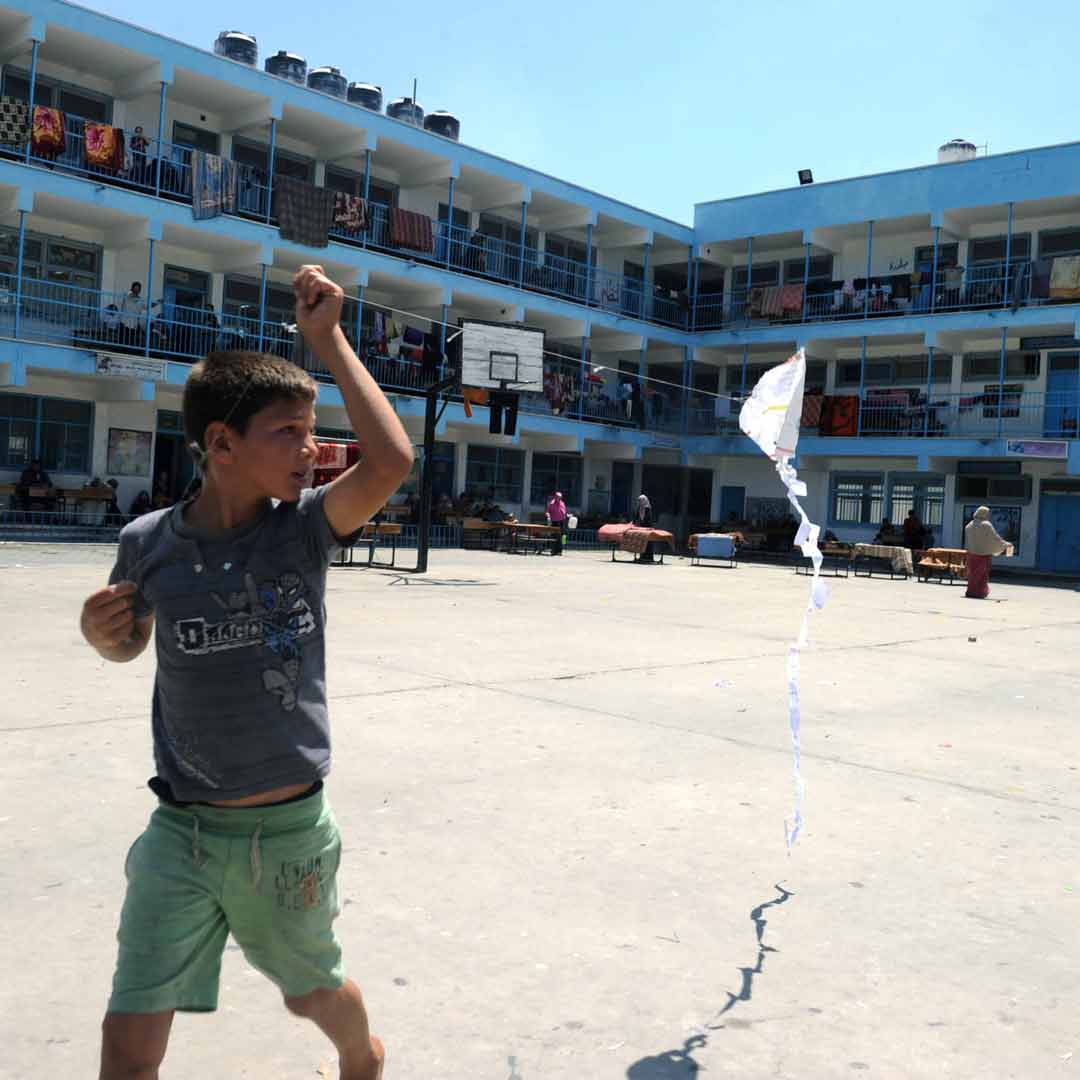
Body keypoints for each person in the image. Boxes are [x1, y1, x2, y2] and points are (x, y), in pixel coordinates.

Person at [79, 264, 412, 1079]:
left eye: (311, 428)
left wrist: (326, 338)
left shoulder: (302, 530)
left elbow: (391, 461)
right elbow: (133, 648)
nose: (311, 448)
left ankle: (361, 1057)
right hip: (182, 832)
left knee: (311, 994)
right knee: (128, 1038)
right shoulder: (147, 543)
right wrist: (103, 636)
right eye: (287, 433)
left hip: (289, 836)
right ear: (221, 445)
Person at [964, 505, 1011, 599]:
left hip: (971, 555)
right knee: (981, 575)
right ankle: (980, 593)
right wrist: (1006, 544)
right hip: (983, 555)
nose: (988, 516)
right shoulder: (986, 525)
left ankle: (971, 592)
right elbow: (995, 538)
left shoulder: (969, 525)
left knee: (972, 574)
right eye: (987, 513)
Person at [633, 494, 657, 563]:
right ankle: (642, 556)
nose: (639, 502)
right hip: (642, 527)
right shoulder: (639, 508)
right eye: (639, 501)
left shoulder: (648, 508)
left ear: (644, 500)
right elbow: (636, 517)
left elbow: (648, 519)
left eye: (640, 501)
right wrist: (633, 523)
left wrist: (645, 527)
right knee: (642, 542)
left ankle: (649, 557)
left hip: (648, 527)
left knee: (648, 542)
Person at [546, 489, 568, 555]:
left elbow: (564, 511)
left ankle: (560, 550)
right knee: (555, 536)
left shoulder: (562, 503)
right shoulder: (551, 503)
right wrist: (548, 516)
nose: (560, 498)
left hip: (562, 521)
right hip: (555, 521)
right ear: (555, 497)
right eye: (558, 497)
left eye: (560, 497)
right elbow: (547, 511)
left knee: (562, 536)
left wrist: (567, 515)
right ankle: (554, 550)